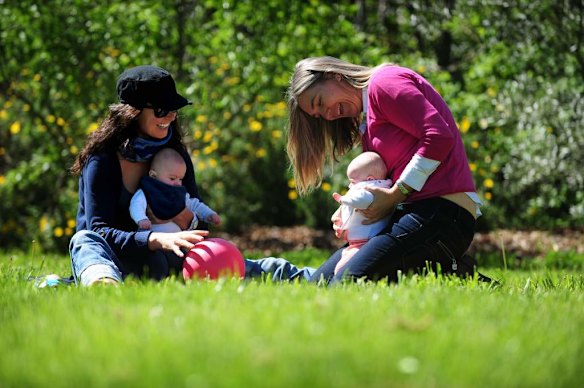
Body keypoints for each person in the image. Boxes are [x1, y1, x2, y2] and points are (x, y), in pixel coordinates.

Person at [68, 64, 314, 286]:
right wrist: (152, 239)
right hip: (122, 260)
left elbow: (199, 222)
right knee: (84, 240)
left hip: (173, 257)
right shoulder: (103, 160)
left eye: (175, 109)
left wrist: (182, 218)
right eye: (162, 110)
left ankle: (331, 274)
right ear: (131, 112)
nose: (171, 117)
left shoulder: (174, 155)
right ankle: (104, 283)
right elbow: (100, 231)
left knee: (252, 267)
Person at [286, 56, 483, 285]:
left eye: (320, 102)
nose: (328, 115)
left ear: (333, 75)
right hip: (408, 213)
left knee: (347, 283)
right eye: (319, 115)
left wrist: (396, 194)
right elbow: (381, 183)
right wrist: (351, 211)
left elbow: (438, 136)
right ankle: (449, 272)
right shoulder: (367, 123)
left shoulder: (384, 83)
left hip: (444, 215)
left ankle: (451, 271)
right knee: (317, 285)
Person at [130, 147, 221, 232]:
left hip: (178, 241)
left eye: (180, 179)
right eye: (172, 178)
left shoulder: (179, 193)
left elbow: (195, 204)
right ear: (153, 175)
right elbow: (136, 204)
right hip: (153, 240)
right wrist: (141, 219)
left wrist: (208, 214)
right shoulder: (148, 191)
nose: (178, 183)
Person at [331, 151, 392, 275]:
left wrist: (343, 200)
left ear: (370, 179)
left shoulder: (371, 190)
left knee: (341, 270)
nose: (350, 185)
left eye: (353, 181)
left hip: (365, 242)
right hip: (356, 242)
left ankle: (342, 285)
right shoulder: (368, 186)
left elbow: (362, 200)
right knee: (341, 265)